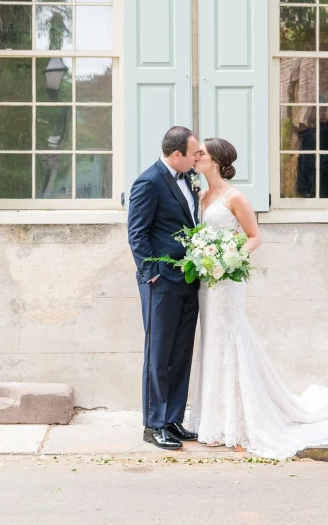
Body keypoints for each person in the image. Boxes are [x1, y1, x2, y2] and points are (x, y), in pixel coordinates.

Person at [189, 137, 328, 459]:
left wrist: (228, 260)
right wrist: (205, 259)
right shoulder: (202, 195)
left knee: (231, 340)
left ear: (215, 160)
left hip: (228, 281)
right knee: (212, 343)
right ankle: (216, 421)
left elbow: (254, 237)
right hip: (207, 283)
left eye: (201, 153)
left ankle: (242, 422)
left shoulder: (236, 197)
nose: (196, 156)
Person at [128, 126, 204, 450]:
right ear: (177, 155)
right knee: (158, 355)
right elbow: (137, 233)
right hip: (161, 283)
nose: (197, 157)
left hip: (188, 280)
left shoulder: (187, 180)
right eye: (193, 153)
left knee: (181, 353)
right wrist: (151, 275)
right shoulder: (148, 182)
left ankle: (172, 419)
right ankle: (153, 424)